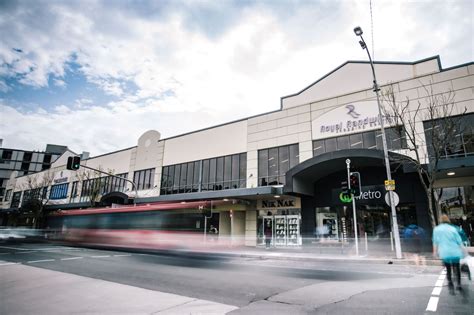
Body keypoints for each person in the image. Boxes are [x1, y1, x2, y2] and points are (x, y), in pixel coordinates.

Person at [432, 215, 465, 294]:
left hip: (444, 252)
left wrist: (435, 253)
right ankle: (459, 284)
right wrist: (464, 251)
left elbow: (435, 242)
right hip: (455, 252)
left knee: (448, 268)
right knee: (457, 268)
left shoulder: (436, 229)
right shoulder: (452, 229)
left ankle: (450, 283)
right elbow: (459, 241)